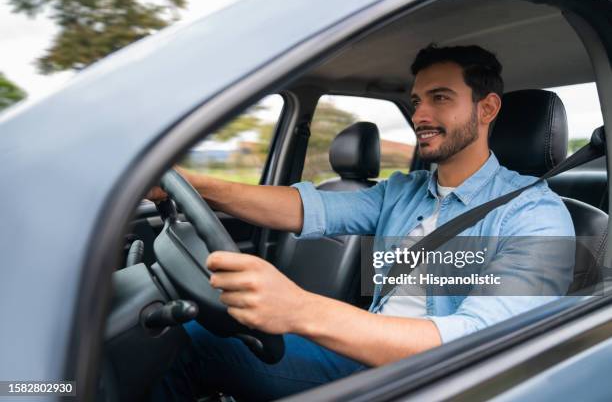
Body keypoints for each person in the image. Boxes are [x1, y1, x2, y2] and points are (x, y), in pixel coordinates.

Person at [150, 44, 574, 401]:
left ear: (488, 108)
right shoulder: (404, 190)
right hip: (365, 357)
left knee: (193, 345)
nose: (420, 115)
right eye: (416, 102)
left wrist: (299, 309)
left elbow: (476, 341)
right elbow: (302, 209)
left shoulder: (535, 215)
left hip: (435, 381)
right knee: (178, 333)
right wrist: (192, 183)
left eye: (440, 98)